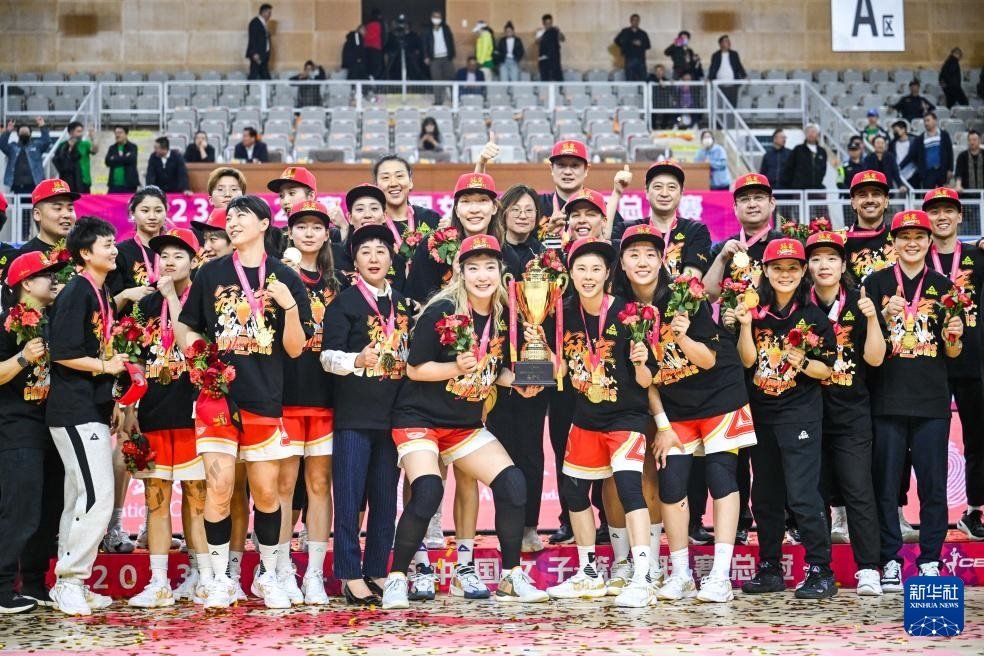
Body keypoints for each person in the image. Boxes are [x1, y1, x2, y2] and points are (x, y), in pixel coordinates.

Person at [381, 234, 550, 609]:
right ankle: (397, 578)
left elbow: (498, 368)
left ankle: (511, 577)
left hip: (464, 425)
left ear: (501, 272)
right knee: (428, 489)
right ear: (461, 272)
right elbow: (415, 369)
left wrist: (520, 383)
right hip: (419, 418)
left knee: (513, 484)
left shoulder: (507, 315)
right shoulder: (441, 310)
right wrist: (455, 367)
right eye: (473, 268)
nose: (482, 275)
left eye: (490, 267)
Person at [176, 195, 312, 609]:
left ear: (265, 223)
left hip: (265, 399)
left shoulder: (285, 276)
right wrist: (200, 358)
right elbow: (186, 327)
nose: (232, 222)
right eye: (229, 217)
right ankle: (220, 580)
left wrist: (289, 306)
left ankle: (269, 575)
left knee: (267, 494)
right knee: (218, 489)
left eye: (242, 216)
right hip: (216, 397)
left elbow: (296, 348)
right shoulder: (211, 273)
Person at [619, 225, 755, 603]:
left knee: (721, 476)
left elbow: (708, 359)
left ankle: (720, 576)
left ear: (662, 260)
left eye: (650, 254)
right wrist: (662, 426)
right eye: (633, 255)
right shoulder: (622, 311)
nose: (642, 262)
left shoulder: (683, 296)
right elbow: (643, 380)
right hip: (675, 407)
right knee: (672, 483)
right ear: (622, 264)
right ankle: (681, 574)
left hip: (720, 395)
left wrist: (680, 336)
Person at [544, 237, 658, 607]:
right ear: (570, 274)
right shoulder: (561, 314)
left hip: (627, 417)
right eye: (581, 268)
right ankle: (588, 573)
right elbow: (560, 371)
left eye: (596, 268)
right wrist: (542, 349)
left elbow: (647, 380)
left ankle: (643, 577)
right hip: (585, 419)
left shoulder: (629, 313)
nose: (589, 275)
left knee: (628, 489)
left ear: (608, 273)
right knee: (574, 491)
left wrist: (640, 362)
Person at [731, 238, 837, 599]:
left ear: (803, 271)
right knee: (765, 495)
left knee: (803, 495)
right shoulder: (754, 312)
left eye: (793, 268)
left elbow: (826, 370)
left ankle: (821, 570)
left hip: (800, 416)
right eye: (778, 268)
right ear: (765, 270)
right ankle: (770, 568)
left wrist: (802, 361)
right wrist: (744, 326)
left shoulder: (814, 317)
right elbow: (747, 361)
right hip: (761, 415)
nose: (785, 274)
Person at [863, 210, 963, 588]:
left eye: (919, 236)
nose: (912, 243)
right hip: (886, 399)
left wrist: (954, 335)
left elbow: (952, 351)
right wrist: (882, 316)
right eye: (904, 237)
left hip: (932, 401)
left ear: (928, 241)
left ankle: (930, 559)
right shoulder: (875, 283)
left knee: (933, 486)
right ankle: (889, 558)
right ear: (894, 242)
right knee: (886, 485)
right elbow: (863, 344)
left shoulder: (943, 286)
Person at [322, 223, 408, 604]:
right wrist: (356, 360)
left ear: (391, 258)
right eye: (365, 252)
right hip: (354, 418)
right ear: (354, 261)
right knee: (349, 498)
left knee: (385, 501)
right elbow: (326, 357)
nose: (374, 258)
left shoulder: (403, 305)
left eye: (381, 251)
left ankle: (376, 569)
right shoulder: (343, 304)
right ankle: (348, 573)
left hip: (393, 418)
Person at [46, 216, 128, 615]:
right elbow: (62, 353)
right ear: (84, 252)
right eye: (106, 244)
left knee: (78, 497)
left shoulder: (101, 291)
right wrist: (106, 367)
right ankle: (71, 580)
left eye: (113, 243)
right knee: (98, 496)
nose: (114, 250)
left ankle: (70, 582)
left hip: (90, 408)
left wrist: (111, 397)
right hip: (73, 409)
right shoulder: (77, 291)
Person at [123, 228, 208, 608]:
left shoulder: (203, 299)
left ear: (194, 260)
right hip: (154, 410)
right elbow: (136, 361)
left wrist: (173, 297)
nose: (170, 262)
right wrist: (129, 406)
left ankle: (201, 576)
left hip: (192, 412)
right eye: (165, 256)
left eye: (179, 255)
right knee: (156, 497)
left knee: (196, 497)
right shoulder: (144, 305)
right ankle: (158, 582)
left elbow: (195, 350)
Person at [805, 230, 885, 595]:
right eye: (816, 259)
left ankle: (869, 568)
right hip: (807, 414)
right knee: (813, 495)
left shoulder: (859, 303)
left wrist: (873, 319)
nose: (824, 265)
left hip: (851, 414)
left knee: (858, 491)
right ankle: (818, 568)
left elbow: (875, 359)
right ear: (808, 266)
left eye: (832, 259)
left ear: (843, 264)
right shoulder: (800, 306)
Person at [271, 201, 342, 605]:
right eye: (302, 226)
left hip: (327, 397)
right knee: (284, 486)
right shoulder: (276, 278)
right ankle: (281, 570)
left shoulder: (338, 283)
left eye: (317, 226)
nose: (309, 233)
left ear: (327, 234)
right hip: (285, 396)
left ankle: (314, 572)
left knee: (318, 485)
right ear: (290, 233)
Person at [485, 184, 550, 553]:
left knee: (531, 450)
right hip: (495, 365)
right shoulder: (492, 253)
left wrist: (539, 371)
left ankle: (529, 526)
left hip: (535, 364)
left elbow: (554, 317)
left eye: (530, 210)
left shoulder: (546, 257)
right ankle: (506, 525)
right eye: (516, 209)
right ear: (503, 212)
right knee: (501, 451)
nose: (523, 215)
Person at [0, 251, 64, 614]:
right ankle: (2, 587)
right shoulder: (5, 324)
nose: (54, 281)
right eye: (47, 275)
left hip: (52, 426)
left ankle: (36, 583)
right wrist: (23, 357)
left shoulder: (53, 322)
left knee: (47, 511)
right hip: (16, 427)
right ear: (26, 283)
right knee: (19, 510)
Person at [922, 189, 984, 541]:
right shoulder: (915, 256)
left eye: (949, 210)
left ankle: (973, 511)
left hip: (973, 362)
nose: (942, 216)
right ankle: (929, 516)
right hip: (930, 364)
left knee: (978, 439)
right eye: (935, 211)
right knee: (929, 445)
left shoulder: (978, 256)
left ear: (961, 216)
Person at [405, 173, 518, 302]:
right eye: (466, 201)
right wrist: (454, 281)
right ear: (456, 210)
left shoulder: (507, 255)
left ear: (494, 208)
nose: (474, 209)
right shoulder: (431, 247)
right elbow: (418, 304)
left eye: (482, 201)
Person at [372, 154, 442, 245]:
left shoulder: (431, 218)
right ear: (376, 185)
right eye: (385, 178)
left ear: (410, 182)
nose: (393, 183)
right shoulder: (372, 224)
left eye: (399, 176)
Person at [844, 170, 896, 281]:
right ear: (853, 202)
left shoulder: (899, 237)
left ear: (886, 201)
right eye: (862, 195)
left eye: (876, 194)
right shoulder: (841, 241)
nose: (870, 200)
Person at [20, 178, 79, 257]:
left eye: (70, 209)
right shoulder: (25, 256)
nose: (67, 215)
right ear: (37, 214)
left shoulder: (83, 252)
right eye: (58, 208)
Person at [903, 112, 954, 189]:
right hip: (928, 173)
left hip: (942, 171)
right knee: (928, 195)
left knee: (943, 194)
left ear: (935, 121)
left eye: (928, 120)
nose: (926, 123)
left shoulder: (944, 135)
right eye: (924, 121)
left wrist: (950, 169)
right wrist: (899, 167)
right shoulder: (920, 138)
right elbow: (911, 155)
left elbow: (950, 152)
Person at [1, 118, 52, 194]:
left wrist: (42, 126)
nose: (24, 133)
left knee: (35, 202)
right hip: (17, 186)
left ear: (30, 134)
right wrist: (8, 131)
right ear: (18, 134)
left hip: (35, 185)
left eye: (26, 132)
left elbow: (47, 141)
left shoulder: (36, 146)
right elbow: (2, 144)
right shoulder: (12, 147)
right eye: (22, 132)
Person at [52, 121, 96, 194]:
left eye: (81, 131)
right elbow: (57, 161)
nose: (81, 134)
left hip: (84, 180)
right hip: (68, 181)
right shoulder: (62, 145)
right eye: (78, 131)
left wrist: (93, 138)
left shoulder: (85, 144)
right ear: (71, 132)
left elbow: (94, 150)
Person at [423, 11, 456, 105]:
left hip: (446, 57)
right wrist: (426, 56)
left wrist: (452, 54)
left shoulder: (446, 28)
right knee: (436, 80)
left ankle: (454, 99)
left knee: (451, 78)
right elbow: (424, 44)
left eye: (438, 17)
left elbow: (451, 41)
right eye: (435, 17)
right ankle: (438, 101)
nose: (436, 19)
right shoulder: (427, 30)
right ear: (431, 18)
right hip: (434, 58)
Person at [782, 124, 827, 192]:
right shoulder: (798, 149)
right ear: (805, 134)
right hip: (800, 190)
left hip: (817, 189)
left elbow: (823, 169)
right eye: (808, 131)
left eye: (813, 131)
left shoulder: (822, 151)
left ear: (817, 134)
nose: (811, 134)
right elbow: (789, 168)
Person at [708, 35, 746, 107]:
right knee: (720, 106)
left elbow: (739, 66)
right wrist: (709, 78)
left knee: (732, 105)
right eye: (726, 41)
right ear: (721, 44)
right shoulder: (715, 55)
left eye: (729, 41)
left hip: (733, 85)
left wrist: (744, 76)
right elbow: (712, 68)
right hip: (720, 86)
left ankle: (732, 115)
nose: (729, 43)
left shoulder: (734, 54)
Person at [614, 14, 651, 82]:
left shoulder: (643, 33)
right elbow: (616, 41)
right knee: (630, 79)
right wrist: (627, 45)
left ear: (639, 21)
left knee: (642, 79)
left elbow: (648, 45)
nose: (635, 22)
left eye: (637, 20)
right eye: (634, 20)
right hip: (629, 58)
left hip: (640, 59)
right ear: (630, 21)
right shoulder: (625, 31)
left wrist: (641, 44)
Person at [104, 126, 140, 194]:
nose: (117, 135)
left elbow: (131, 159)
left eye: (120, 133)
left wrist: (114, 158)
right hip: (113, 185)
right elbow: (107, 162)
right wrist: (124, 157)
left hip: (129, 185)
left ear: (126, 134)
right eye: (116, 133)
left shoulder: (133, 147)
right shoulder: (112, 148)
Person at [890, 120, 919, 189]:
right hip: (898, 175)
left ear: (903, 129)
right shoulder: (892, 144)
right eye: (894, 131)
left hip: (913, 174)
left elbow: (912, 156)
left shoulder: (914, 142)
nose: (894, 133)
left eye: (896, 131)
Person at [246, 3, 272, 80]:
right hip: (258, 55)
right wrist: (254, 53)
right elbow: (252, 38)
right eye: (269, 13)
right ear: (263, 12)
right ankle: (248, 88)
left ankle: (268, 86)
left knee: (264, 75)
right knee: (254, 74)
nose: (270, 15)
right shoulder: (255, 22)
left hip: (264, 55)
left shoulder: (263, 23)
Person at [536, 14, 564, 82]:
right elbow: (537, 42)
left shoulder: (555, 31)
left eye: (550, 23)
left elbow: (562, 39)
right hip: (544, 58)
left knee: (557, 77)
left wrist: (558, 31)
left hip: (554, 58)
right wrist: (546, 33)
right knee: (545, 78)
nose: (549, 25)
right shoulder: (540, 32)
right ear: (543, 23)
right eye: (547, 23)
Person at [648, 64, 674, 130]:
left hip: (664, 104)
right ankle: (653, 128)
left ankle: (664, 128)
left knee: (669, 113)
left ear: (663, 72)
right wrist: (658, 81)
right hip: (653, 103)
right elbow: (648, 80)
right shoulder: (651, 78)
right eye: (657, 71)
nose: (659, 72)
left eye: (660, 71)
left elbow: (672, 92)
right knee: (652, 117)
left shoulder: (667, 81)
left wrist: (671, 83)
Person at [364, 8, 385, 80]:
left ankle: (369, 78)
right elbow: (384, 36)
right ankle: (374, 80)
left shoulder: (367, 23)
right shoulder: (380, 23)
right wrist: (382, 46)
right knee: (377, 67)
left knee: (368, 67)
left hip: (367, 47)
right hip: (376, 48)